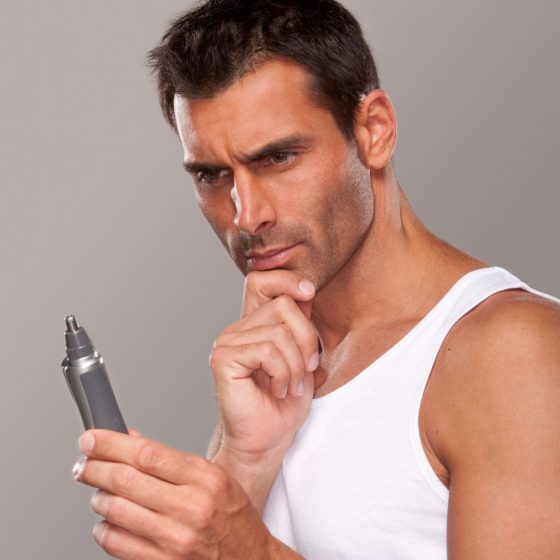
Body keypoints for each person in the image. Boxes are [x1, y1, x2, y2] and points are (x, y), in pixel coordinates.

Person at [72, 1, 560, 558]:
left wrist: (250, 550)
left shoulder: (512, 355)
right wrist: (246, 459)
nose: (246, 215)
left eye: (278, 158)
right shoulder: (275, 360)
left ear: (374, 130)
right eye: (212, 175)